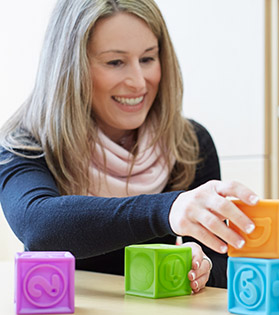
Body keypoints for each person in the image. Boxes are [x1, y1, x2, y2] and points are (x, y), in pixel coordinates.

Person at [0, 0, 260, 291]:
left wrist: (203, 270)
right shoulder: (24, 144)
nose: (139, 82)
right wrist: (166, 209)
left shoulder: (190, 143)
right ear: (70, 69)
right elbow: (39, 227)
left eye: (148, 59)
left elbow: (218, 262)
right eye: (115, 62)